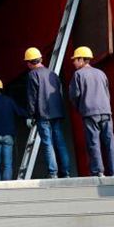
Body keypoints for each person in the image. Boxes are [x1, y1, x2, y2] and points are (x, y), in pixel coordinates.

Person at [69, 46, 114, 177]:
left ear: (81, 59)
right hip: (106, 111)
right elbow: (107, 94)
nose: (74, 62)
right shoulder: (101, 73)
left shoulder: (78, 75)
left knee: (93, 142)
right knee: (110, 142)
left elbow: (74, 96)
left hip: (90, 112)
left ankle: (98, 171)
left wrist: (81, 108)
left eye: (75, 59)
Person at [24, 47, 71, 178]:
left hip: (43, 114)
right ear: (40, 59)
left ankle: (53, 172)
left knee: (47, 143)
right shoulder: (52, 74)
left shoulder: (33, 75)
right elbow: (60, 93)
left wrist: (30, 115)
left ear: (29, 63)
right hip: (56, 113)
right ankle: (66, 172)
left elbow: (32, 97)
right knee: (60, 142)